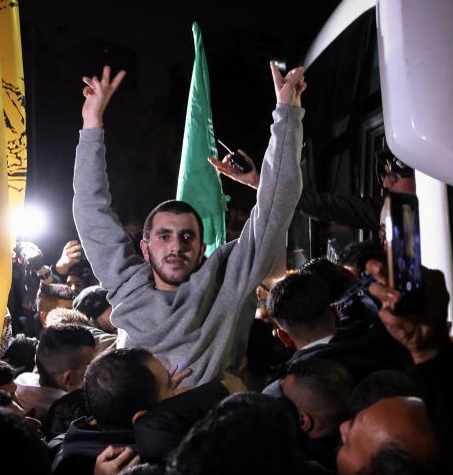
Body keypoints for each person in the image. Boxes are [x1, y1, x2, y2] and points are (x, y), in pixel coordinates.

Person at [72, 63, 306, 390]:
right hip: (133, 430)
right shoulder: (126, 285)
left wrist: (287, 114)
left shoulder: (225, 281)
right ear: (145, 247)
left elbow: (276, 203)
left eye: (187, 237)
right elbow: (90, 207)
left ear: (201, 249)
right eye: (164, 235)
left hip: (206, 430)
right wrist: (91, 124)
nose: (176, 246)